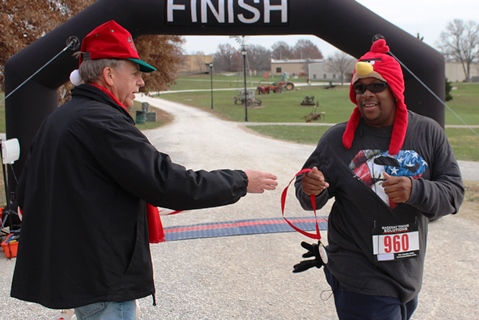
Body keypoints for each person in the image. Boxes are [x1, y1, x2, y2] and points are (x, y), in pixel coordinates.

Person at [10, 20, 278, 319]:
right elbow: (167, 182)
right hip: (104, 279)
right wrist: (241, 180)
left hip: (84, 276)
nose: (141, 82)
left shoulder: (61, 118)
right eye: (135, 73)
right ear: (109, 75)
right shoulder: (103, 122)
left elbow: (25, 193)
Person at [293, 38, 464, 320]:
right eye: (359, 88)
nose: (366, 94)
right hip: (357, 272)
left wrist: (415, 190)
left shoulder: (427, 133)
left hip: (406, 272)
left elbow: (454, 194)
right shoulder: (337, 140)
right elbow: (306, 192)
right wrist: (311, 188)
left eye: (376, 86)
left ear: (394, 89)